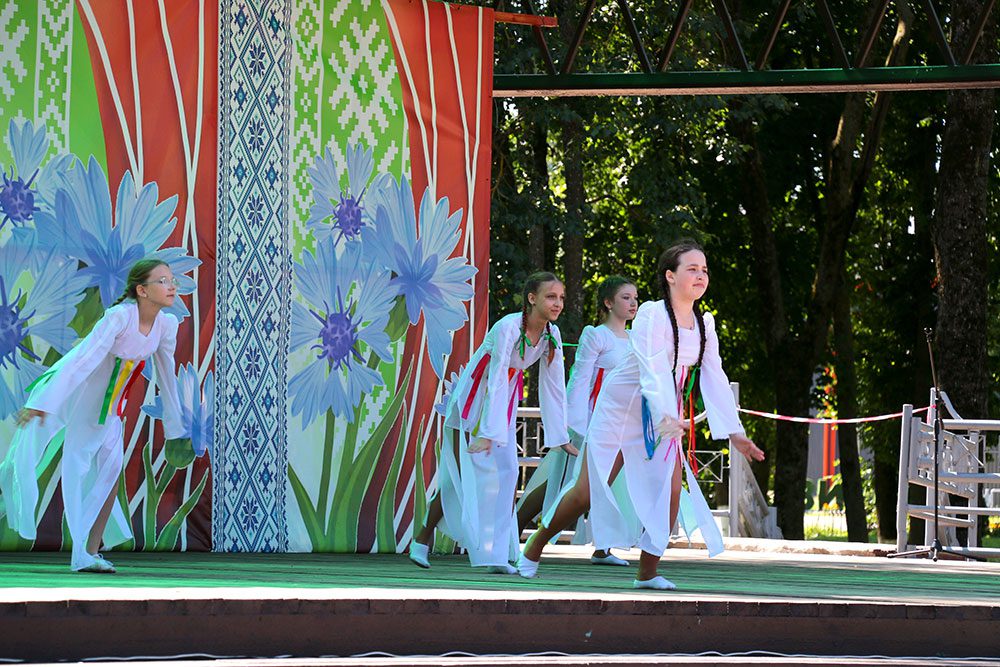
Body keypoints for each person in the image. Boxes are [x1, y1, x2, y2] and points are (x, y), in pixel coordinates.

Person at [518, 240, 765, 589]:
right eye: (692, 269)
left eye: (704, 270)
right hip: (621, 408)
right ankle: (535, 545)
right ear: (670, 276)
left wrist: (735, 432)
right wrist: (666, 413)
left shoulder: (704, 324)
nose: (700, 275)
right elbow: (652, 368)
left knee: (671, 491)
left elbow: (714, 375)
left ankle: (647, 572)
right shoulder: (652, 314)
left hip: (660, 412)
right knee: (587, 491)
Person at [0, 259, 187, 573]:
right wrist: (47, 401)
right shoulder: (119, 318)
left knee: (110, 472)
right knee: (78, 469)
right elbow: (82, 360)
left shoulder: (165, 325)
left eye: (172, 280)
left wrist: (175, 427)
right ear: (142, 290)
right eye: (163, 281)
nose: (172, 287)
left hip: (110, 409)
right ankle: (81, 554)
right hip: (82, 398)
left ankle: (89, 551)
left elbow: (167, 375)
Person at [409, 271, 569, 573]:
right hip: (475, 402)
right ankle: (426, 540)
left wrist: (559, 435)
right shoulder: (509, 327)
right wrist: (486, 431)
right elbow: (495, 375)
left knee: (507, 473)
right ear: (531, 298)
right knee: (464, 478)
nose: (557, 303)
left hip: (502, 403)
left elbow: (554, 384)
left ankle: (497, 554)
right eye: (551, 296)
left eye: (561, 297)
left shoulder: (552, 334)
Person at [515, 276, 637, 566]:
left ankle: (603, 547)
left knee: (611, 483)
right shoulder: (596, 335)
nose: (633, 303)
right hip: (593, 421)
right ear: (608, 303)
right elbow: (580, 379)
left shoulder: (636, 339)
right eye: (625, 297)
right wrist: (573, 424)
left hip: (622, 423)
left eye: (635, 298)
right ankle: (516, 525)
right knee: (565, 481)